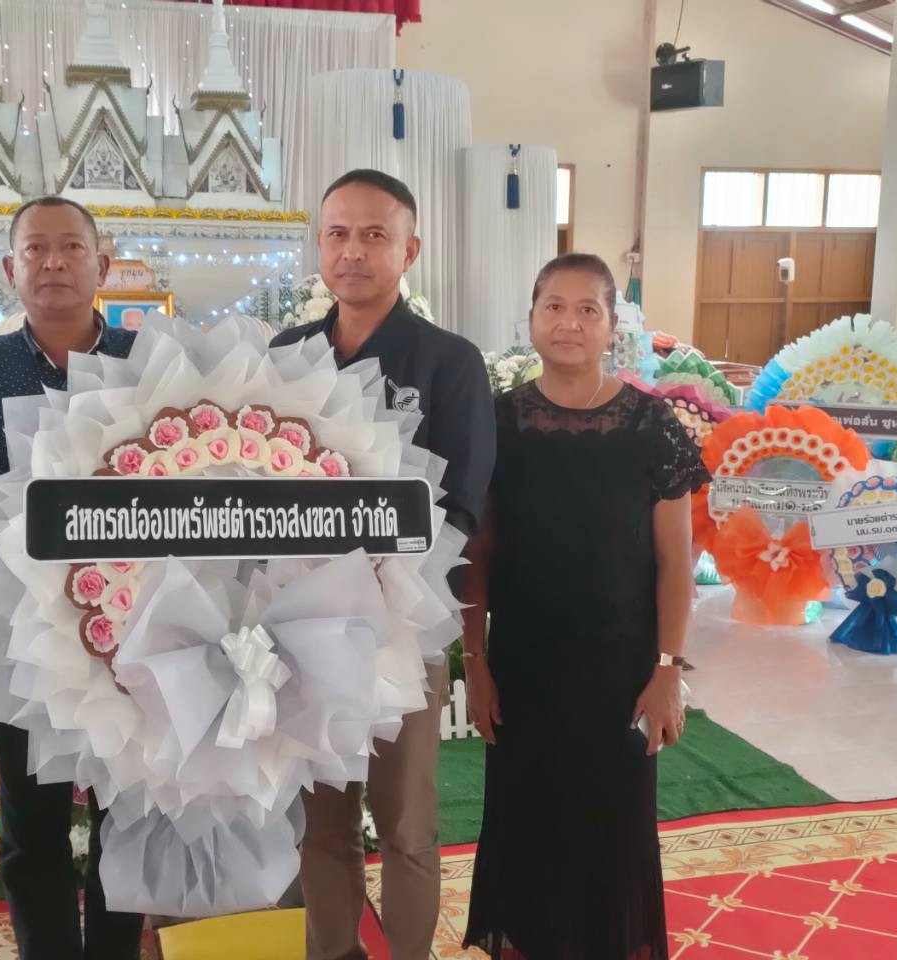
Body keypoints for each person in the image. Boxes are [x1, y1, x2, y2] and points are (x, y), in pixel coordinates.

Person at [272, 169, 495, 960]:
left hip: (403, 625)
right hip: (302, 630)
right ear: (319, 246)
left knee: (405, 821)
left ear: (410, 250)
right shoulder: (287, 356)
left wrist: (379, 575)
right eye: (338, 234)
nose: (354, 252)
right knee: (322, 822)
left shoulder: (448, 362)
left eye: (375, 235)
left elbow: (465, 502)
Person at [460, 254, 707, 960]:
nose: (569, 323)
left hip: (618, 672)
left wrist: (668, 669)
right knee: (527, 822)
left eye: (587, 309)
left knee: (612, 827)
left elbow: (675, 561)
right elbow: (477, 555)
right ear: (532, 319)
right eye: (554, 307)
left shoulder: (651, 425)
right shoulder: (498, 423)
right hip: (523, 669)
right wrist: (475, 664)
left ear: (612, 327)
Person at [0, 196, 142, 960]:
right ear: (10, 267)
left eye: (71, 248)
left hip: (137, 633)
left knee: (128, 818)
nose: (53, 262)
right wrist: (31, 598)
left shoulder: (147, 360)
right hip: (27, 634)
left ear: (101, 264)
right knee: (33, 826)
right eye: (36, 249)